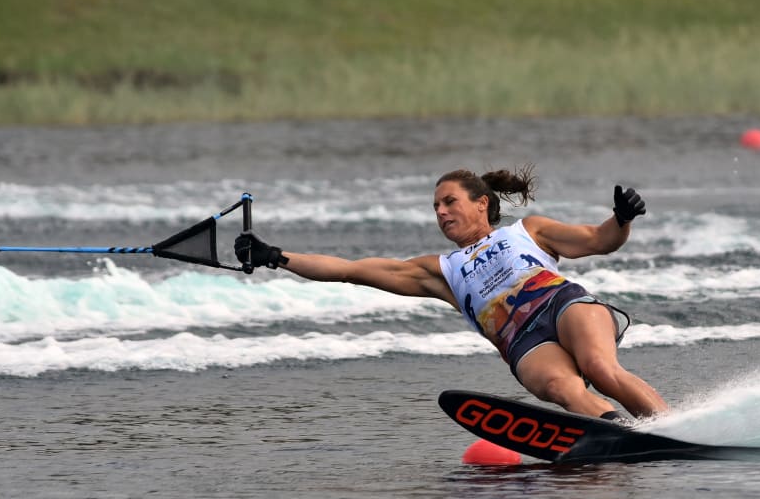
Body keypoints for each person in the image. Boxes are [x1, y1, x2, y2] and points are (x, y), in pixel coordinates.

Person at [234, 166, 669, 423]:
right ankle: (617, 434)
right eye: (435, 208)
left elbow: (599, 239)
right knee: (560, 386)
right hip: (521, 340)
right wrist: (276, 255)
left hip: (560, 305)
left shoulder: (528, 230)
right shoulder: (439, 271)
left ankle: (673, 427)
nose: (441, 212)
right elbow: (350, 271)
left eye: (449, 202)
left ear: (482, 203)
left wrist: (622, 218)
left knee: (600, 366)